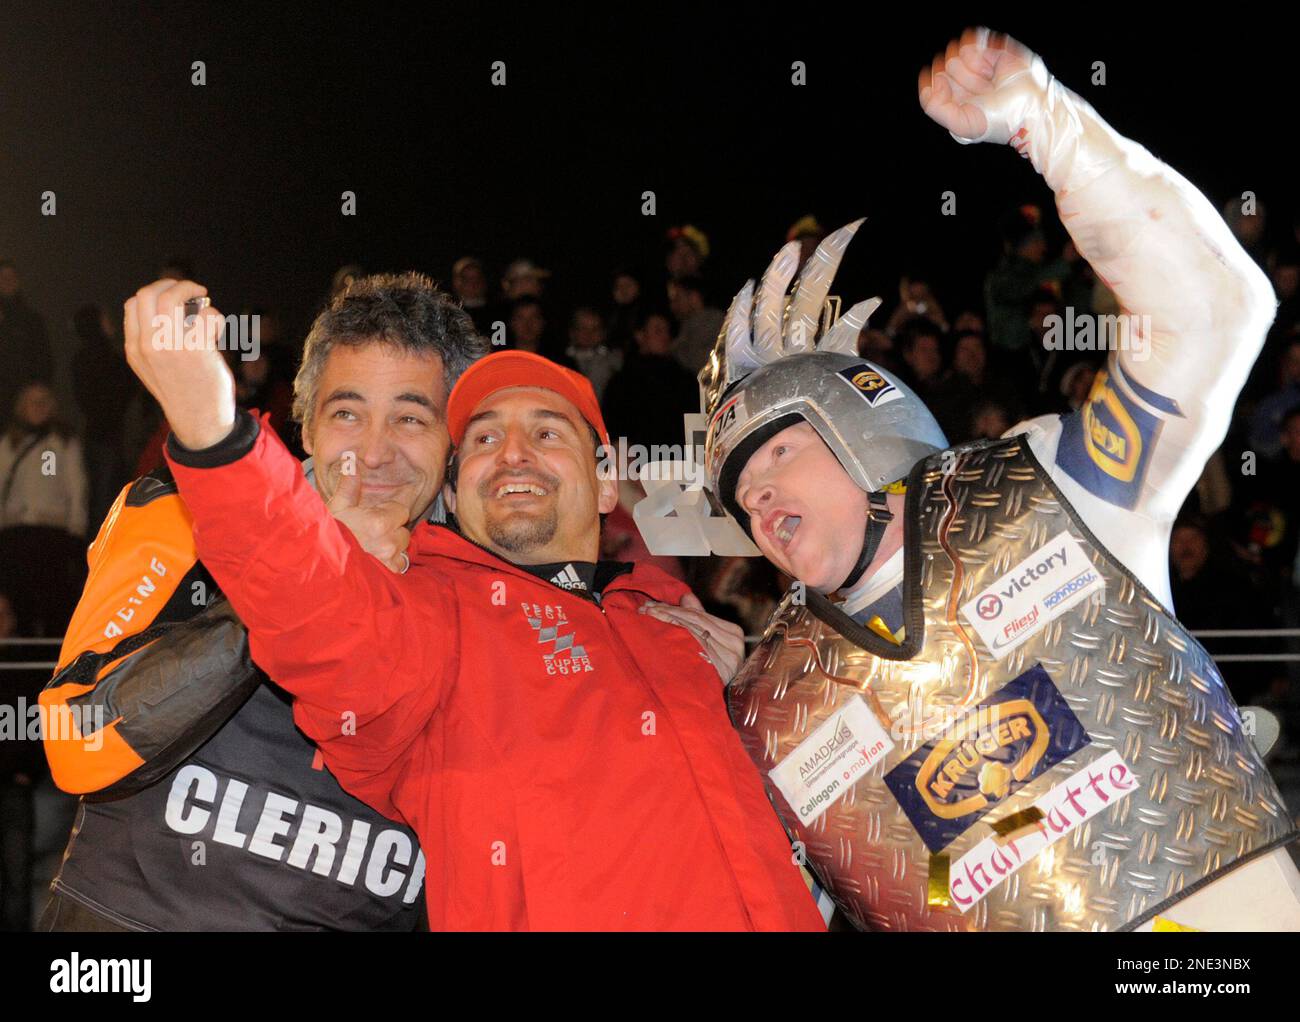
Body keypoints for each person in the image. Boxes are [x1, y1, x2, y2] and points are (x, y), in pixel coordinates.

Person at [687, 29, 1298, 932]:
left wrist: (1049, 123)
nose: (759, 499)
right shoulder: (772, 709)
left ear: (862, 421)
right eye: (740, 494)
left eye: (778, 454)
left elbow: (1212, 312)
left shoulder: (1043, 497)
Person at [119, 279, 825, 931]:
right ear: (454, 496)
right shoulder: (432, 615)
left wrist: (752, 696)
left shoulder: (679, 627)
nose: (514, 453)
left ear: (608, 483)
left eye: (548, 432)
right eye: (483, 440)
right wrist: (215, 438)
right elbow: (321, 618)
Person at [38, 273, 488, 931]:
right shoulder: (177, 512)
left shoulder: (483, 597)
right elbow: (81, 741)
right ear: (307, 426)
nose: (375, 450)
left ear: (452, 442)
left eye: (411, 418)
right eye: (347, 413)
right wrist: (305, 577)